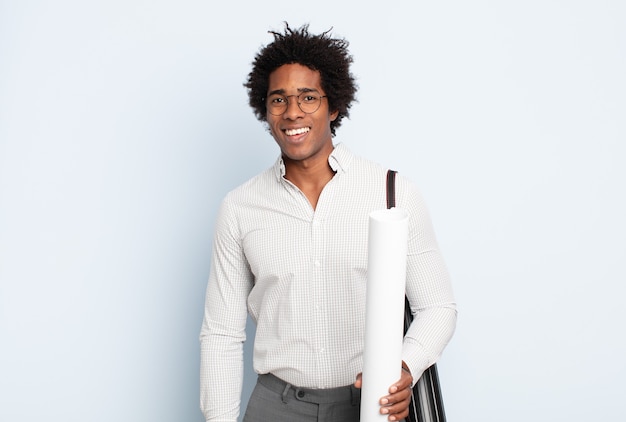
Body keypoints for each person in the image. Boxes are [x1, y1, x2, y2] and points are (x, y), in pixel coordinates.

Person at [199, 23, 457, 422]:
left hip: (372, 407)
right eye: (279, 99)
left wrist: (404, 367)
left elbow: (438, 306)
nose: (293, 112)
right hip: (275, 407)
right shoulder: (240, 207)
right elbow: (222, 334)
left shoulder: (393, 192)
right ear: (265, 110)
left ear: (333, 106)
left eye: (308, 97)